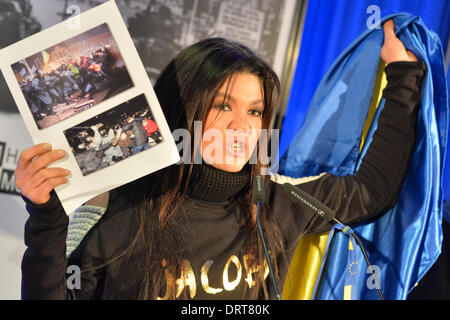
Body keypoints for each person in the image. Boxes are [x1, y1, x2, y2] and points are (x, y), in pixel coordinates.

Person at [15, 21, 426, 300]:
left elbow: (373, 192)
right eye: (221, 106)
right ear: (185, 110)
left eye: (254, 111)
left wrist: (404, 76)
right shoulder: (114, 210)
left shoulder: (282, 202)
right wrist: (48, 218)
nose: (240, 128)